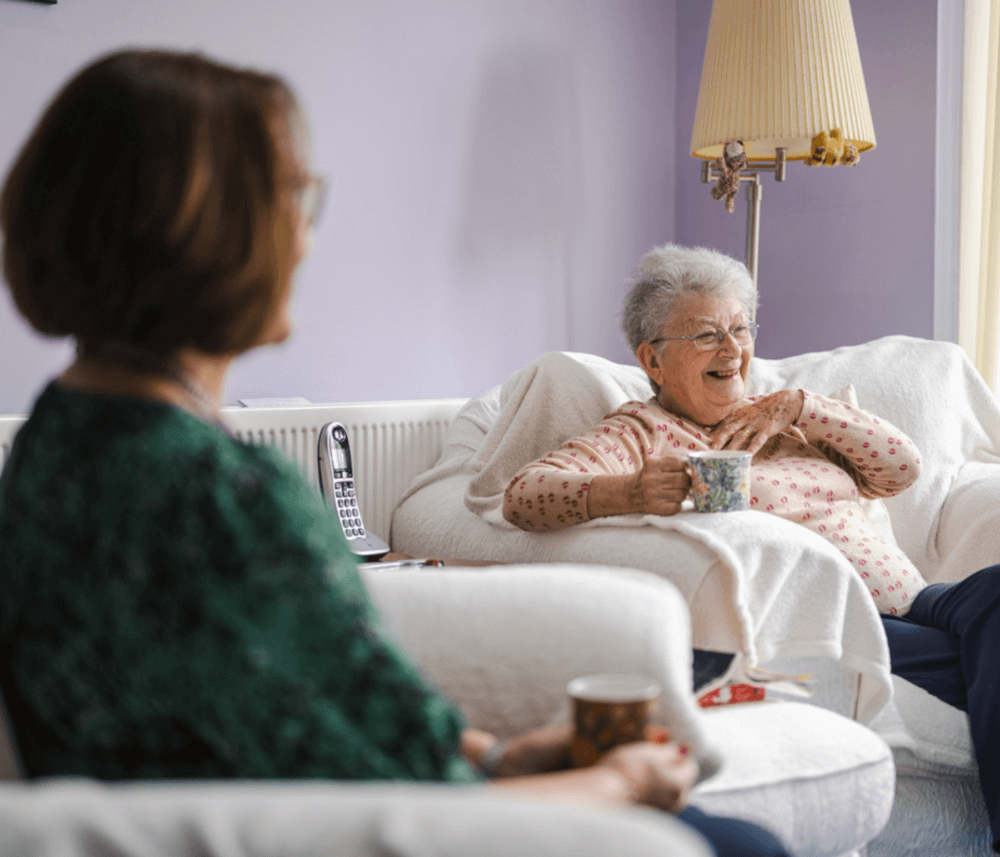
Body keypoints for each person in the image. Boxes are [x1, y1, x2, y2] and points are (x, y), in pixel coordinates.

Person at [0, 51, 791, 857]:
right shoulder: (226, 497)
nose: (304, 236)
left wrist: (500, 753)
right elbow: (419, 810)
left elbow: (294, 704)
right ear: (202, 234)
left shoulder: (51, 444)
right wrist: (617, 783)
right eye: (293, 197)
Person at [504, 242, 1000, 853]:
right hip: (839, 622)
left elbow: (901, 468)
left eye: (740, 329)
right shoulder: (641, 432)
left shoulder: (785, 418)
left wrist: (801, 407)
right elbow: (525, 495)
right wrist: (628, 490)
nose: (731, 349)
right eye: (706, 334)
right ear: (653, 359)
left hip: (920, 602)